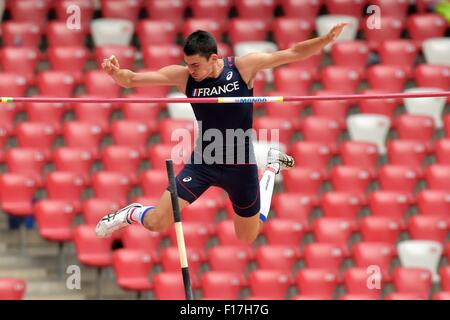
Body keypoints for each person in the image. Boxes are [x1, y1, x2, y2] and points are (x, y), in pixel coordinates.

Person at [96, 23, 347, 244]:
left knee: (247, 236)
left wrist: (324, 40)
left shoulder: (242, 68)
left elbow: (292, 53)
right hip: (204, 161)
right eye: (188, 64)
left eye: (196, 65)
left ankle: (271, 167)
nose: (191, 69)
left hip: (241, 165)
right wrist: (116, 74)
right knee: (155, 223)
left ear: (214, 58)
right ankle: (131, 213)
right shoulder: (184, 78)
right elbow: (133, 80)